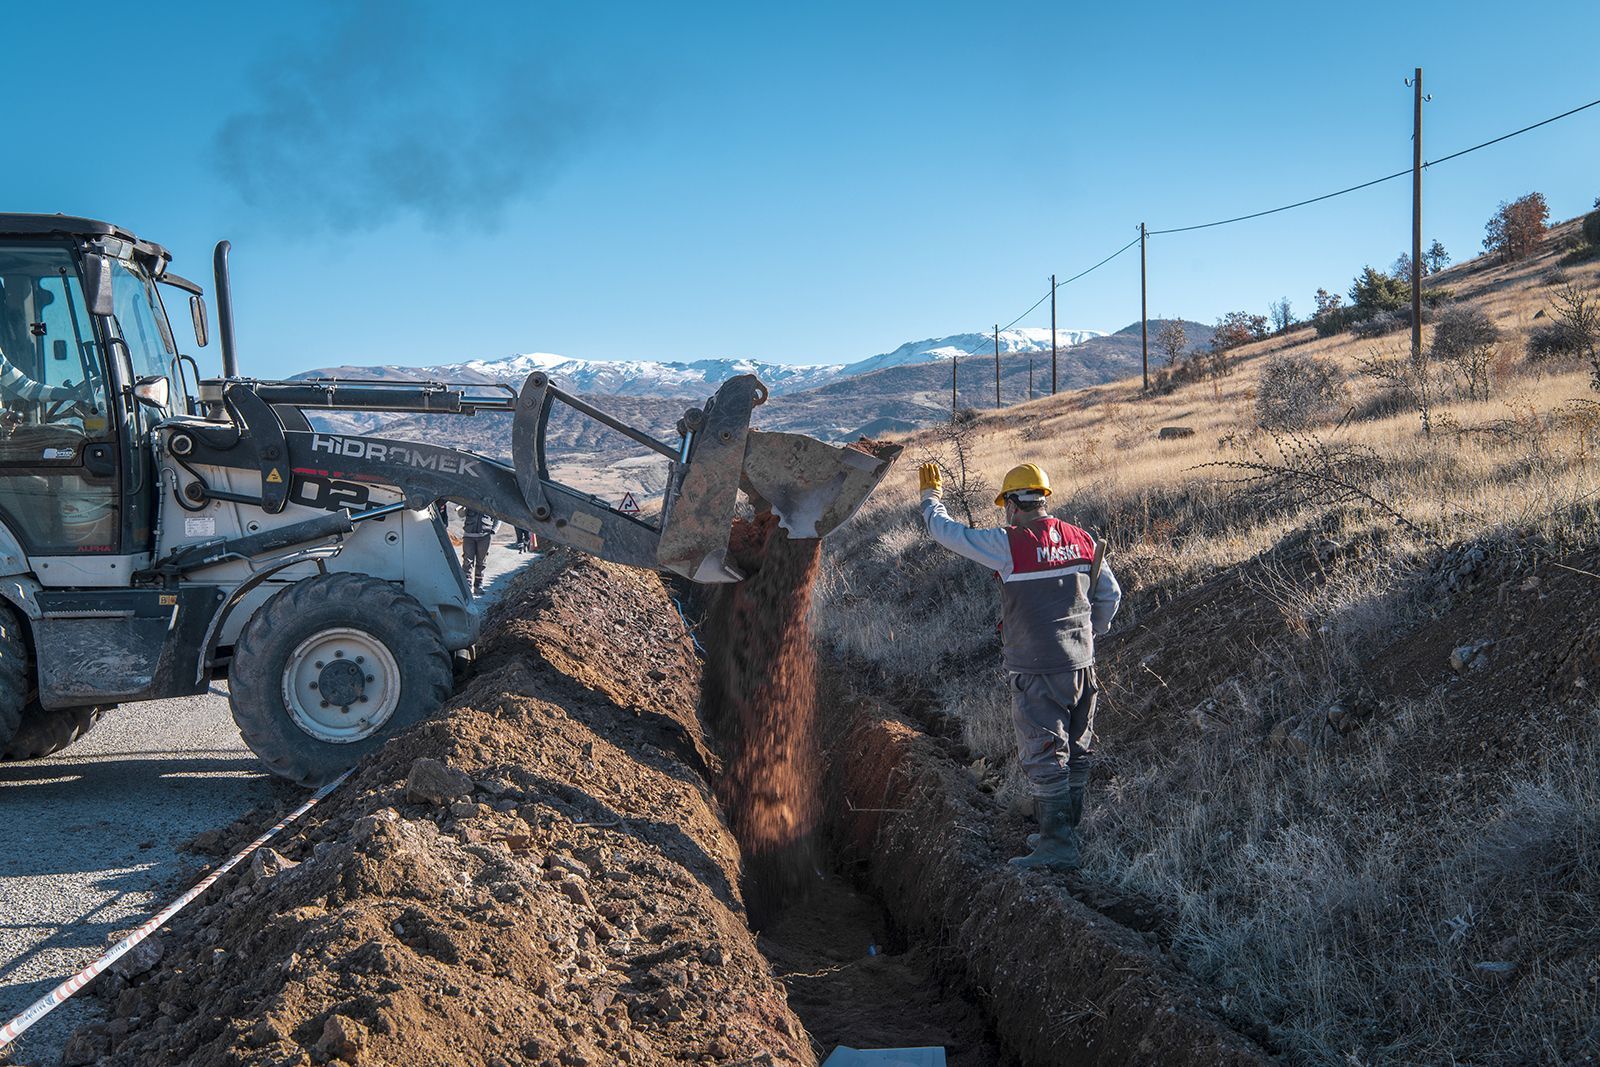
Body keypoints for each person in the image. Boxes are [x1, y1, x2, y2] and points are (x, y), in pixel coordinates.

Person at [918, 460, 1121, 870]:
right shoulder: (1081, 539)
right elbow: (1110, 593)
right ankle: (1066, 832)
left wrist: (931, 499)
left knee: (1045, 754)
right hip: (1082, 665)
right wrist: (1090, 635)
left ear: (1012, 504)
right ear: (1044, 498)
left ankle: (1057, 845)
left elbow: (947, 533)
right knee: (1076, 750)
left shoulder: (1010, 544)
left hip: (1037, 668)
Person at [457, 505, 499, 596]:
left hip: (484, 536)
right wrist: (462, 506)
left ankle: (478, 585)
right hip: (469, 535)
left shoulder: (490, 502)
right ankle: (467, 585)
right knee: (467, 561)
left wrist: (494, 530)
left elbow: (498, 517)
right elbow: (461, 514)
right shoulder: (469, 500)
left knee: (481, 561)